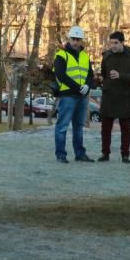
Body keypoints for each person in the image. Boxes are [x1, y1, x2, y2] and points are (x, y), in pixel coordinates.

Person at [54, 25, 95, 163]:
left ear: (81, 40)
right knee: (62, 127)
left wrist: (88, 86)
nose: (76, 42)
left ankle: (80, 154)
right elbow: (61, 75)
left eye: (78, 39)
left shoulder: (85, 56)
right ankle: (61, 155)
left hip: (82, 96)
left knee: (78, 127)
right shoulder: (61, 55)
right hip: (68, 95)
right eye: (73, 39)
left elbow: (90, 74)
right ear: (69, 39)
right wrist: (78, 87)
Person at [98, 31, 130, 163]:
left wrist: (121, 75)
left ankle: (125, 155)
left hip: (125, 96)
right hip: (109, 96)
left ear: (122, 42)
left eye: (116, 43)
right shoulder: (107, 56)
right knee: (105, 127)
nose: (113, 46)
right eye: (111, 43)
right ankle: (105, 153)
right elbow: (103, 73)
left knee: (125, 128)